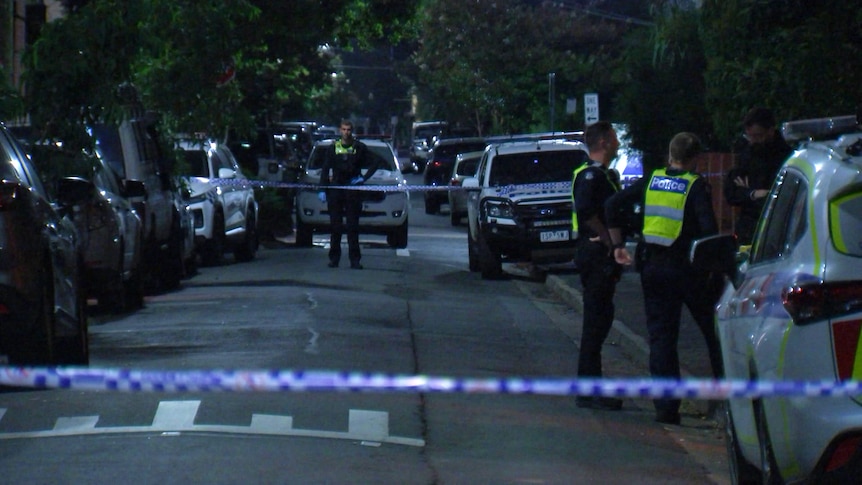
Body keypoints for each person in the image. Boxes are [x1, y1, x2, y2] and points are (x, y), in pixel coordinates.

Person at [605, 132, 724, 425]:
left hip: (653, 269)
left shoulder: (652, 180)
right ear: (694, 159)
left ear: (670, 155)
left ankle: (666, 408)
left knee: (661, 340)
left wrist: (618, 244)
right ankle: (724, 400)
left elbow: (611, 205)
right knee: (715, 332)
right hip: (688, 271)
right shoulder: (695, 186)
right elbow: (708, 231)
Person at [571, 120, 623, 411]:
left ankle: (591, 387)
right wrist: (608, 241)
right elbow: (587, 211)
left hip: (596, 256)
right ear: (603, 142)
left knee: (600, 321)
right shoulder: (592, 176)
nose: (617, 143)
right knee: (595, 323)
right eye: (613, 138)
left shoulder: (603, 174)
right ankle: (589, 390)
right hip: (594, 256)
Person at [724, 107, 792, 246]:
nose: (753, 140)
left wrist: (753, 193)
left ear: (771, 130)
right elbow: (731, 192)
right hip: (749, 230)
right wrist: (753, 193)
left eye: (758, 135)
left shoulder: (786, 156)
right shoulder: (747, 152)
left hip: (776, 230)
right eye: (750, 136)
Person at [318, 119, 378, 269]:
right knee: (335, 227)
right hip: (336, 188)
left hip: (352, 190)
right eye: (344, 129)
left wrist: (363, 178)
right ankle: (334, 259)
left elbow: (375, 162)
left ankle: (355, 260)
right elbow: (325, 169)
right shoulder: (333, 148)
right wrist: (322, 189)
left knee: (352, 227)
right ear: (340, 130)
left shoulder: (359, 147)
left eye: (349, 129)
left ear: (352, 131)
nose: (346, 132)